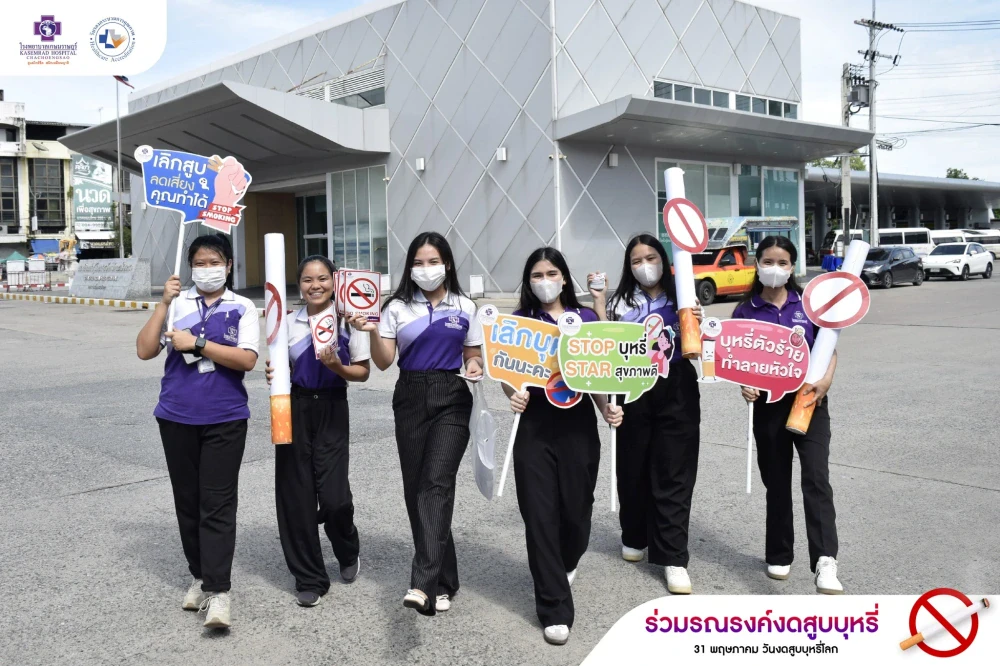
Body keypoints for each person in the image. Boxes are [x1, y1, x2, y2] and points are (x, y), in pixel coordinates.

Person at [348, 231, 483, 615]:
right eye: (419, 263)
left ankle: (421, 584)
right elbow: (384, 361)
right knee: (418, 491)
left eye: (433, 262)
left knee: (435, 485)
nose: (426, 269)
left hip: (452, 395)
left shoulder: (465, 306)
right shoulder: (395, 308)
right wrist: (372, 329)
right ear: (410, 267)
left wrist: (474, 366)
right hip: (409, 394)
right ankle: (445, 580)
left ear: (448, 264)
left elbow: (473, 355)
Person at [135, 234, 259, 629]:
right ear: (190, 267)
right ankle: (201, 578)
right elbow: (144, 350)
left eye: (214, 261)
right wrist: (164, 303)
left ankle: (220, 593)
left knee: (217, 504)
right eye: (200, 263)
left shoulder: (242, 307)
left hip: (224, 417)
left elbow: (246, 360)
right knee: (187, 503)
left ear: (229, 264)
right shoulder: (178, 304)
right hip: (175, 416)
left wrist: (199, 343)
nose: (207, 269)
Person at [506, 248, 622, 646]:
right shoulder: (519, 322)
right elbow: (508, 372)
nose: (544, 279)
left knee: (576, 512)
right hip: (533, 426)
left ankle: (567, 560)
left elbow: (601, 369)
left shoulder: (586, 319)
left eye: (551, 272)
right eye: (536, 273)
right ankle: (554, 607)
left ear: (564, 277)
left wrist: (608, 407)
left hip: (577, 426)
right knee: (539, 514)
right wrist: (513, 393)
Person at [589, 233, 702, 595]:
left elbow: (701, 349)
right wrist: (598, 302)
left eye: (650, 257)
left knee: (674, 471)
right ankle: (635, 533)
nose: (644, 266)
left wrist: (699, 320)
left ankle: (673, 558)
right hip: (632, 390)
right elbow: (602, 347)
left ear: (664, 260)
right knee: (633, 467)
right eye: (636, 261)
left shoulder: (683, 296)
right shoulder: (621, 301)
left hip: (677, 389)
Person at [732, 236, 842, 594]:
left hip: (809, 403)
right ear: (757, 263)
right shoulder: (745, 309)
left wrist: (824, 382)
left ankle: (825, 561)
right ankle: (779, 553)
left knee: (816, 477)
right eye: (768, 261)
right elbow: (735, 360)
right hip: (767, 409)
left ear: (792, 266)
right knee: (776, 483)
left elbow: (829, 348)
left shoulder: (809, 305)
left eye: (782, 263)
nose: (774, 268)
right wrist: (744, 385)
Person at [264, 256, 369, 607]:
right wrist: (274, 374)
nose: (315, 286)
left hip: (333, 407)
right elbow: (279, 367)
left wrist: (336, 365)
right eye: (307, 280)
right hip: (293, 407)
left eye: (323, 278)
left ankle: (347, 547)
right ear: (298, 285)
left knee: (336, 497)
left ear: (333, 282)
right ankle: (309, 577)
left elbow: (363, 373)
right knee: (297, 497)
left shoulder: (348, 321)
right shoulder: (286, 322)